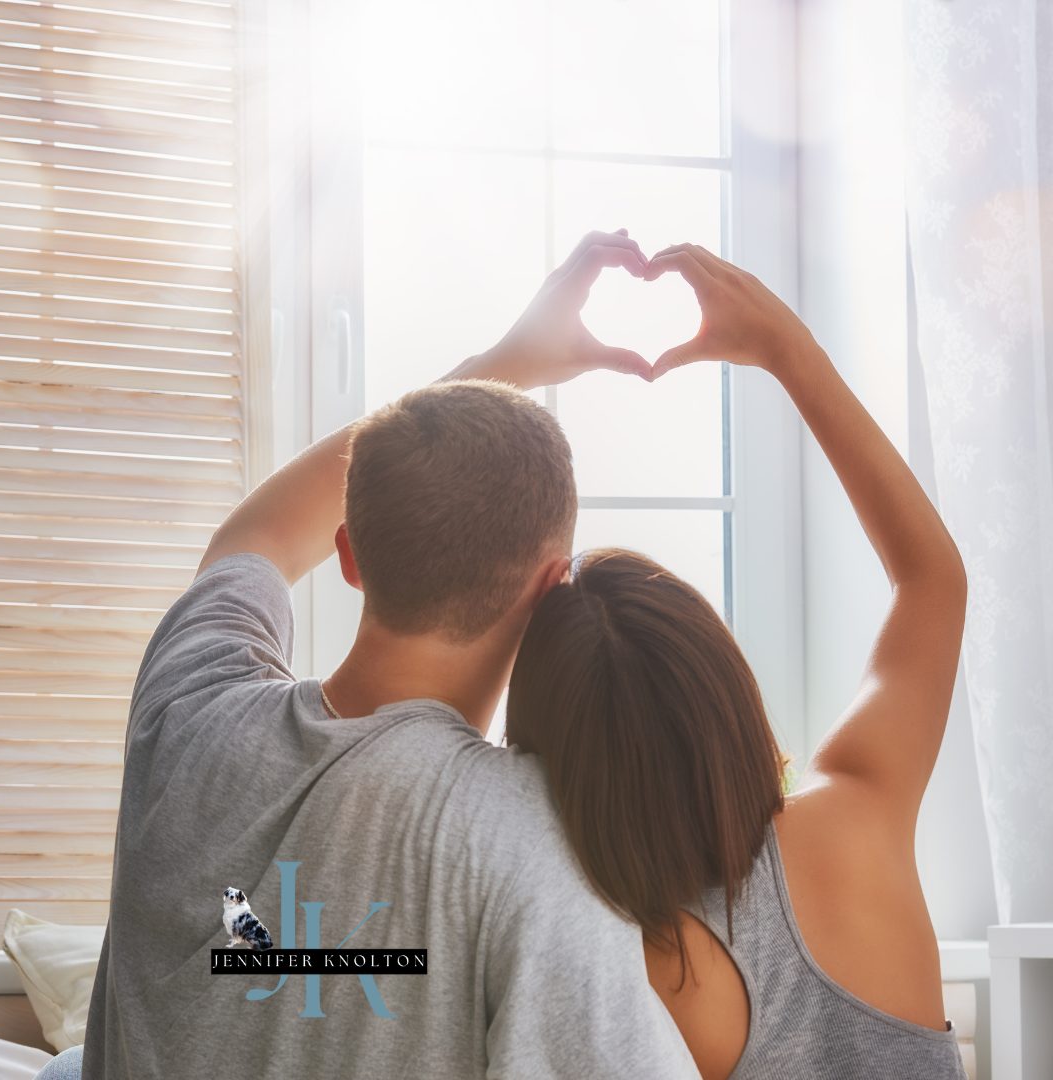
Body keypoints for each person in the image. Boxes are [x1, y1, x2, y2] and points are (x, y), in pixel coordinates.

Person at [51, 230, 700, 1080]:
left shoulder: (188, 705)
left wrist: (500, 361)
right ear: (553, 591)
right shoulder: (533, 849)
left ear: (350, 554)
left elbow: (256, 535)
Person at [506, 245, 970, 1079]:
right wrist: (790, 354)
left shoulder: (651, 967)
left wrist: (495, 372)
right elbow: (932, 581)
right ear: (722, 686)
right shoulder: (859, 823)